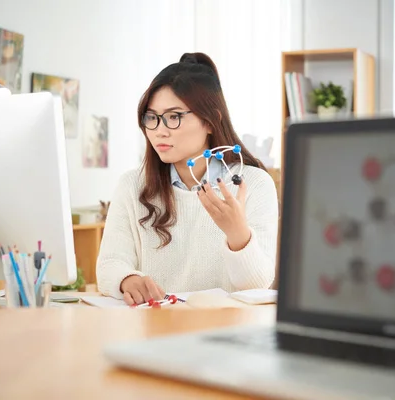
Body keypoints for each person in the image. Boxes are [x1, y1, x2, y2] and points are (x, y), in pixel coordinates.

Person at [96, 52, 279, 305]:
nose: (159, 130)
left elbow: (257, 285)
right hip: (154, 331)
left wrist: (238, 235)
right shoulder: (132, 186)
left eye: (174, 117)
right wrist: (128, 279)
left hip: (226, 334)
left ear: (211, 121)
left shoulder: (254, 184)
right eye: (152, 117)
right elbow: (109, 265)